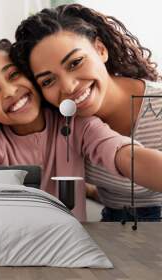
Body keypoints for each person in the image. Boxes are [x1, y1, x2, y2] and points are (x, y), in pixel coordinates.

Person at [0, 40, 162, 221]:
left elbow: (124, 155)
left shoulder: (76, 124)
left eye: (14, 75)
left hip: (71, 253)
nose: (10, 92)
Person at [11, 3, 162, 221]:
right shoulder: (62, 124)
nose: (69, 87)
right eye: (48, 80)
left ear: (101, 50)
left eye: (75, 63)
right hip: (115, 226)